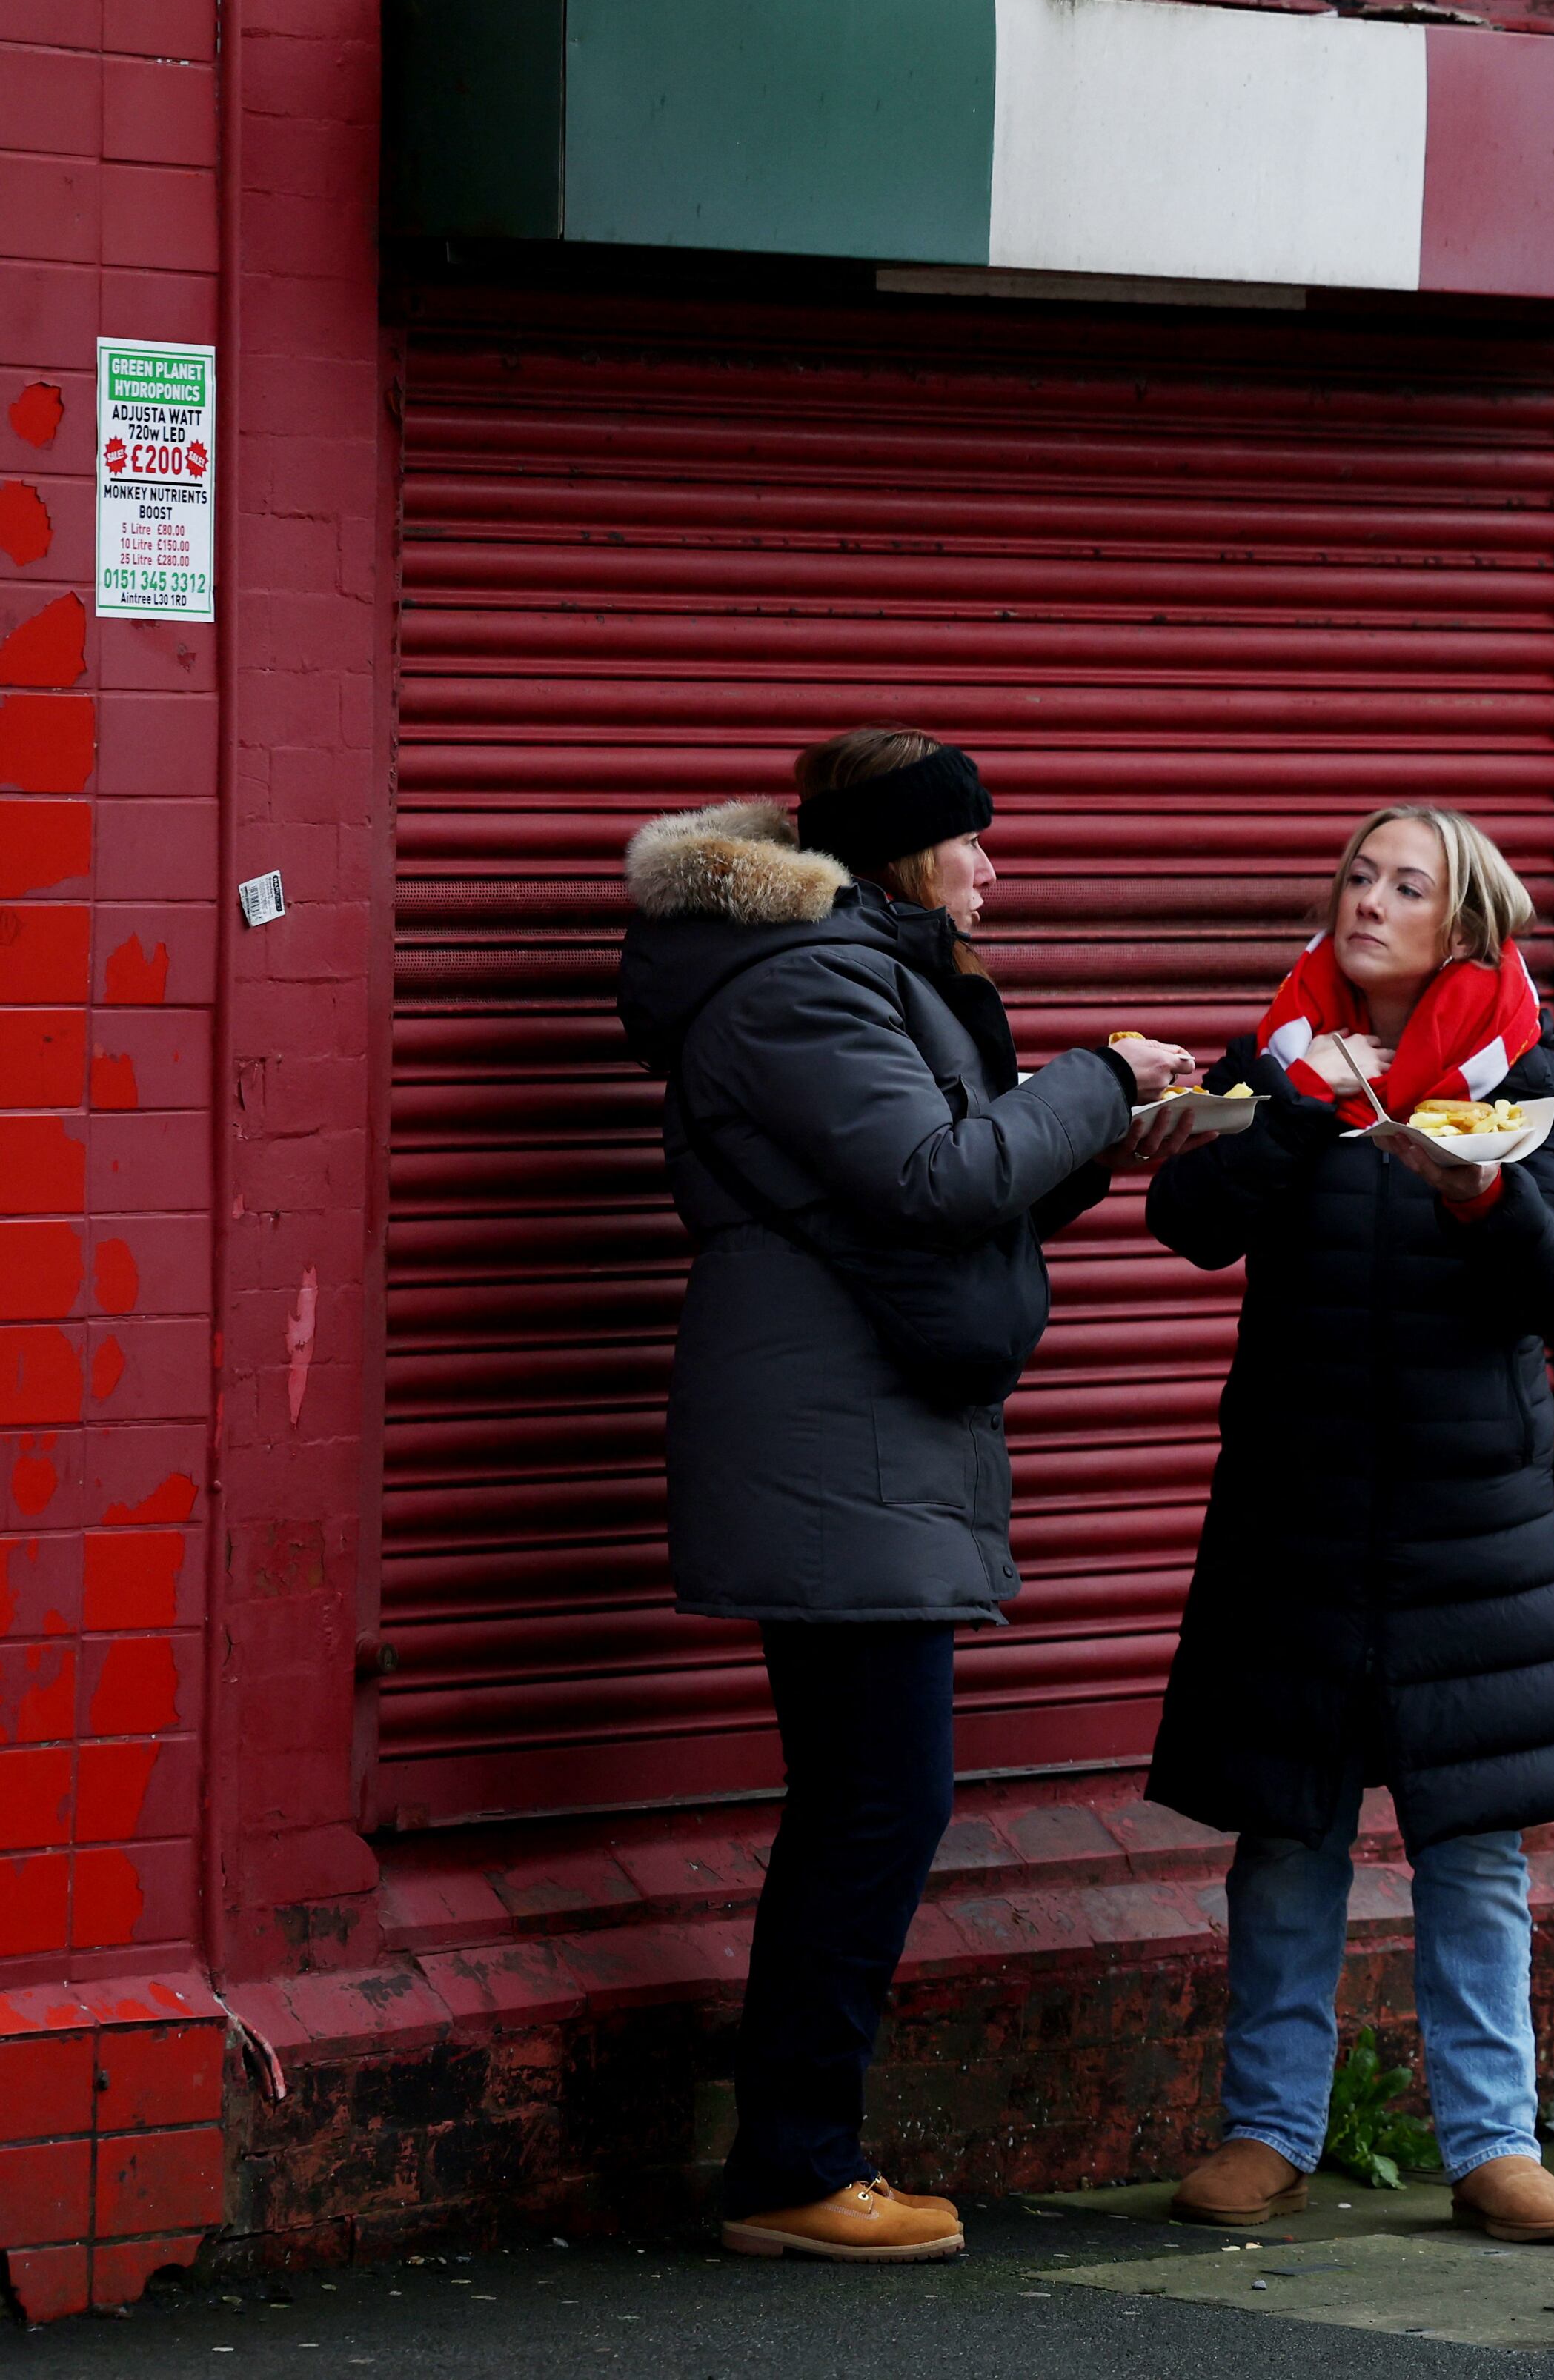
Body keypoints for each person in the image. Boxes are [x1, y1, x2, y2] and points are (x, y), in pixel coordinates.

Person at [617, 726, 1202, 2261]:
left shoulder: (856, 975)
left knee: (866, 1799)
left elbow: (942, 1187)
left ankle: (796, 2157)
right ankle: (795, 2168)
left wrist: (1103, 1134)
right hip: (837, 1449)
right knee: (880, 1801)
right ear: (900, 854)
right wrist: (1093, 1075)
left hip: (865, 1438)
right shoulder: (809, 986)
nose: (995, 866)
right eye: (971, 840)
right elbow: (937, 1180)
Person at [1144, 805, 1554, 2247]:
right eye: (1358, 873)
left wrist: (1481, 1193)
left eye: (1406, 882)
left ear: (1463, 922)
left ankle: (1493, 2142)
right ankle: (1269, 2126)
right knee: (1286, 1829)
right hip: (1298, 1501)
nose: (1370, 898)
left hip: (1466, 1518)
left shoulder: (1524, 1081)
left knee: (1472, 1839)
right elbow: (1188, 1219)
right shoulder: (1276, 1059)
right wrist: (1287, 1119)